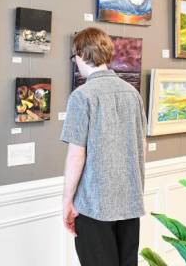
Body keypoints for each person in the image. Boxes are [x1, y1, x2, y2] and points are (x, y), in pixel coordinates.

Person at [60, 27, 146, 266]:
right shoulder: (133, 94)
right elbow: (142, 148)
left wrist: (67, 201)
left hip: (94, 206)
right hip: (129, 202)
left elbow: (77, 155)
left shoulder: (82, 96)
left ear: (80, 54)